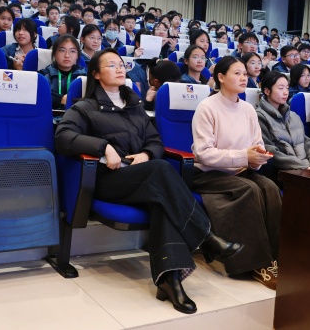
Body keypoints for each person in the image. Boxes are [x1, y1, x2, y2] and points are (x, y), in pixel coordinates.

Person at [55, 49, 242, 314]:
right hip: (109, 180)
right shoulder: (84, 107)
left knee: (162, 200)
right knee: (161, 171)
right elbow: (63, 136)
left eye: (121, 64)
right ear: (95, 74)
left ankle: (170, 281)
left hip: (141, 177)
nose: (120, 69)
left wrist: (146, 154)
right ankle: (206, 236)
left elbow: (155, 141)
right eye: (111, 65)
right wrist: (103, 146)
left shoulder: (134, 106)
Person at [189, 56, 281, 289]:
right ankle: (255, 263)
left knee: (270, 187)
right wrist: (244, 156)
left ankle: (276, 257)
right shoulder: (207, 107)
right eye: (237, 73)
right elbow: (203, 154)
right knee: (249, 189)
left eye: (244, 74)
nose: (243, 78)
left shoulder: (248, 109)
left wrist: (258, 158)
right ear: (221, 77)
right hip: (209, 174)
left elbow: (257, 144)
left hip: (241, 170)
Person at [255, 70, 310, 185]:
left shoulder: (293, 116)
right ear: (267, 91)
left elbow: (307, 142)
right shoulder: (259, 116)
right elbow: (269, 150)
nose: (286, 92)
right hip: (283, 172)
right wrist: (303, 167)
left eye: (287, 88)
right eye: (281, 88)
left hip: (307, 169)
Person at [38, 34, 87, 109]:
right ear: (54, 53)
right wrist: (60, 99)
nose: (67, 55)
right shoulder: (43, 75)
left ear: (77, 55)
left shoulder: (85, 77)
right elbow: (38, 95)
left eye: (72, 51)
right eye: (62, 50)